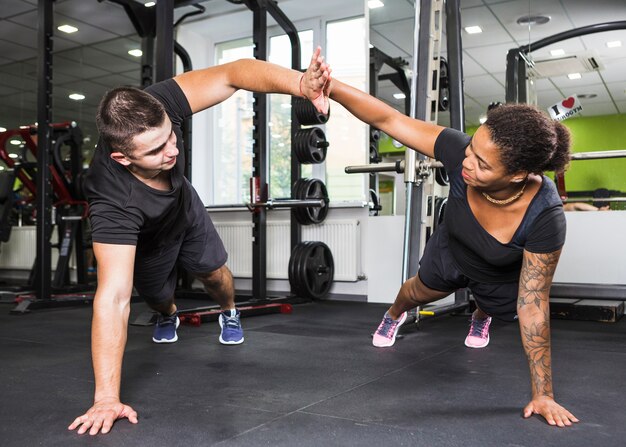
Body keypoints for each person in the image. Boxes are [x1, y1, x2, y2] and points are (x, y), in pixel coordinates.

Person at [68, 48, 330, 436]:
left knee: (215, 275)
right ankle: (167, 312)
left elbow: (233, 73)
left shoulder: (157, 104)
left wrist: (299, 84)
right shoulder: (112, 200)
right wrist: (106, 397)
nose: (172, 150)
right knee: (156, 296)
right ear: (123, 159)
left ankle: (229, 312)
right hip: (146, 236)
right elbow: (112, 298)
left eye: (170, 136)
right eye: (156, 150)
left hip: (184, 207)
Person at [317, 64, 578, 427]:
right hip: (453, 245)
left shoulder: (545, 215)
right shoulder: (461, 154)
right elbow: (389, 120)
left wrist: (543, 393)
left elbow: (535, 305)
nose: (466, 164)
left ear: (517, 175)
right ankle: (393, 316)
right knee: (416, 291)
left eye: (482, 165)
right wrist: (331, 87)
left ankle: (480, 314)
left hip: (498, 269)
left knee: (504, 310)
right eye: (471, 149)